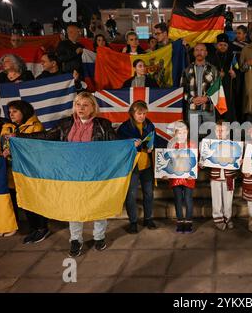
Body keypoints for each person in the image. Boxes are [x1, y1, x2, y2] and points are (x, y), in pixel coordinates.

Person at [18, 92, 117, 256]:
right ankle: (75, 240)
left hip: (95, 174)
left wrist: (131, 143)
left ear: (93, 107)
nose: (81, 108)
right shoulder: (65, 123)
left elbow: (116, 145)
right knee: (73, 207)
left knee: (99, 206)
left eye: (85, 105)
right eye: (78, 104)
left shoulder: (103, 124)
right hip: (71, 174)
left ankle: (99, 237)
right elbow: (46, 136)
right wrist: (19, 136)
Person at [0, 100, 48, 243]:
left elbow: (35, 149)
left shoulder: (35, 126)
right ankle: (33, 229)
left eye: (15, 111)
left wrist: (13, 149)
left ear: (24, 111)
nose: (11, 114)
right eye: (9, 112)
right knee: (24, 201)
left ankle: (42, 228)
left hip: (31, 171)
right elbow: (2, 144)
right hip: (15, 172)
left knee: (35, 200)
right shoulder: (9, 127)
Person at [117, 101, 156, 233]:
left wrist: (151, 146)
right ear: (132, 113)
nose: (142, 116)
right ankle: (133, 221)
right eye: (139, 113)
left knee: (149, 193)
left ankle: (148, 218)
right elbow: (119, 147)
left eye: (144, 114)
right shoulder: (124, 128)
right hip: (132, 166)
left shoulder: (149, 125)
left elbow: (153, 139)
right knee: (131, 195)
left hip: (147, 165)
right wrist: (131, 145)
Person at [200, 120, 238, 231]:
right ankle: (218, 218)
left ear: (227, 131)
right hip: (215, 176)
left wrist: (238, 162)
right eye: (218, 130)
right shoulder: (209, 144)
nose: (220, 132)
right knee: (216, 199)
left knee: (228, 199)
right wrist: (202, 163)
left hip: (229, 176)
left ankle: (228, 217)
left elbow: (236, 160)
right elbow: (203, 160)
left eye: (223, 130)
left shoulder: (233, 144)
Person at [166, 121, 197, 233]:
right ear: (175, 133)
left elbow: (195, 161)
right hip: (175, 177)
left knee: (188, 199)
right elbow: (167, 162)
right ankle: (180, 221)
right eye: (180, 132)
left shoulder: (192, 144)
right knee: (178, 199)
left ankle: (188, 221)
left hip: (188, 177)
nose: (182, 134)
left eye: (185, 131)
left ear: (188, 132)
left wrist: (193, 173)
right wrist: (165, 173)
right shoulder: (171, 145)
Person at [180, 43, 218, 125]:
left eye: (202, 50)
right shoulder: (186, 70)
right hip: (193, 108)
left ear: (206, 53)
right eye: (196, 50)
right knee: (194, 136)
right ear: (193, 53)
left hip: (208, 108)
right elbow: (182, 91)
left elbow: (218, 90)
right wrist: (192, 99)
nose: (199, 52)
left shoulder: (213, 70)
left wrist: (207, 98)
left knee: (210, 136)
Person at [0, 104, 18, 238]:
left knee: (1, 192)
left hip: (1, 162)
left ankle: (7, 224)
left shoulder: (6, 125)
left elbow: (8, 143)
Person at [207, 33, 238, 122]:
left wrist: (234, 74)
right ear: (216, 45)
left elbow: (238, 72)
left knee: (229, 112)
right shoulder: (211, 58)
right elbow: (207, 72)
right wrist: (216, 74)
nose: (223, 47)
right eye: (220, 45)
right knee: (216, 114)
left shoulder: (232, 57)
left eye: (225, 45)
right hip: (215, 91)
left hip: (228, 90)